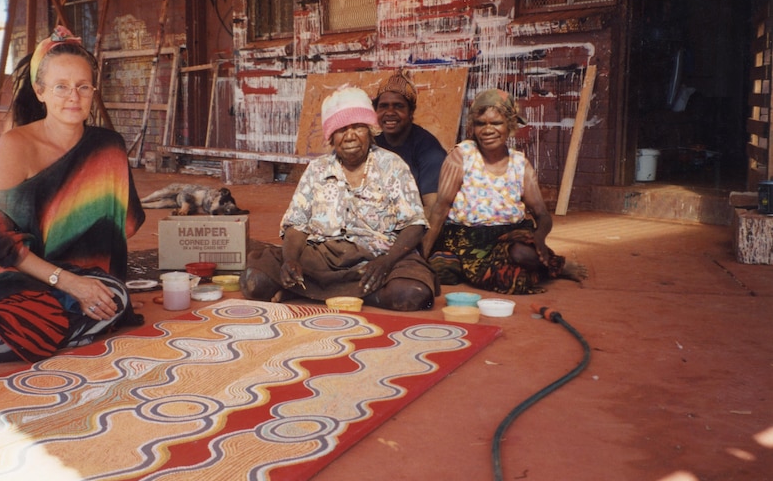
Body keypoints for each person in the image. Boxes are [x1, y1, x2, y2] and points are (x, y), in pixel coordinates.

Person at [0, 26, 146, 363]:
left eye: (83, 86)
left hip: (56, 267)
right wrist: (67, 283)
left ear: (94, 90)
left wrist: (82, 284)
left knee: (112, 298)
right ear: (40, 91)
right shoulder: (15, 145)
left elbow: (109, 236)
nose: (73, 97)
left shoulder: (108, 147)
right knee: (43, 313)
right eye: (61, 87)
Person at [240, 85, 438, 311]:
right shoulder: (317, 169)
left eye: (358, 127)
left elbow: (414, 224)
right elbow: (297, 224)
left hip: (379, 255)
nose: (351, 136)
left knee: (413, 294)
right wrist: (290, 261)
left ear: (370, 131)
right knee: (254, 280)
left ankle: (313, 293)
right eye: (342, 129)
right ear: (331, 137)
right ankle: (362, 295)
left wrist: (386, 262)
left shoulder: (392, 165)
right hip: (322, 256)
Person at [421, 88, 587, 294]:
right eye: (481, 123)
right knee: (444, 271)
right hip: (466, 239)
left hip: (510, 236)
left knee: (522, 254)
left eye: (496, 123)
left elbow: (542, 215)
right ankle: (454, 262)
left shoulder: (520, 164)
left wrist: (540, 238)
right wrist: (421, 258)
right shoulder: (462, 156)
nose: (488, 130)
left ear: (510, 125)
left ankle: (555, 264)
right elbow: (439, 209)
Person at [373, 68, 447, 219]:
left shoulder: (429, 150)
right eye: (383, 106)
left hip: (411, 225)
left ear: (411, 111)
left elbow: (433, 208)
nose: (390, 112)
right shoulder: (374, 145)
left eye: (398, 106)